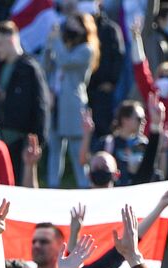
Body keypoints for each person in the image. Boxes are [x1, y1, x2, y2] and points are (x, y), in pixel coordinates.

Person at [0, 21, 49, 180]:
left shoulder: (29, 68)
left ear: (12, 40)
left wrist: (38, 142)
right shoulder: (0, 68)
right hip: (2, 138)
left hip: (21, 142)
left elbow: (40, 106)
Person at [45, 12, 98, 189]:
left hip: (73, 106)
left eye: (76, 23)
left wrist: (56, 41)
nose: (71, 27)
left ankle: (85, 186)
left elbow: (65, 61)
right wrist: (49, 43)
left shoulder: (86, 49)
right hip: (55, 105)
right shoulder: (61, 45)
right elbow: (45, 65)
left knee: (77, 151)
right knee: (54, 150)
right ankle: (53, 186)